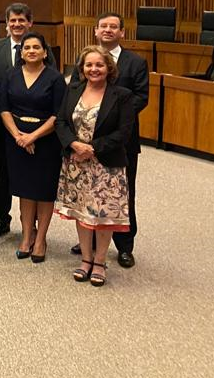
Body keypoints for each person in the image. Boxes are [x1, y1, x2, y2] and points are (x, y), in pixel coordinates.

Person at [68, 12, 148, 268]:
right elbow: (73, 95)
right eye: (103, 26)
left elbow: (141, 97)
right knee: (87, 194)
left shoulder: (136, 62)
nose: (108, 30)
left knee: (121, 196)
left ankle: (125, 246)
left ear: (122, 32)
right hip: (82, 144)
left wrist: (111, 114)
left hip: (119, 141)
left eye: (114, 26)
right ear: (95, 30)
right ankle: (89, 243)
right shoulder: (84, 59)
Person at [56, 45, 135, 287]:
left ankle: (99, 262)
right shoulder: (73, 89)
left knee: (102, 216)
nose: (94, 69)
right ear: (82, 68)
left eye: (99, 65)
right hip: (76, 164)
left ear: (108, 68)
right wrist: (74, 145)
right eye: (89, 65)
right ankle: (86, 259)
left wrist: (91, 148)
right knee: (81, 211)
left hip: (105, 166)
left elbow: (124, 133)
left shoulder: (122, 95)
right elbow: (61, 121)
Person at [0, 3, 58, 239]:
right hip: (4, 123)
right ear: (6, 24)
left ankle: (32, 225)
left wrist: (30, 133)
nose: (17, 24)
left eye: (21, 20)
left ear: (30, 23)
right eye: (12, 20)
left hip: (39, 128)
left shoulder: (42, 47)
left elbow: (50, 82)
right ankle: (1, 218)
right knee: (3, 172)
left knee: (35, 176)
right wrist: (14, 126)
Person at [0, 33, 65, 263]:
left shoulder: (55, 78)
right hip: (16, 139)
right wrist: (18, 136)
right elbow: (3, 107)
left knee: (44, 191)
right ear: (21, 52)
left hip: (46, 141)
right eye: (27, 47)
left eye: (37, 47)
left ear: (45, 52)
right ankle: (27, 236)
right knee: (25, 190)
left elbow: (59, 115)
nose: (31, 51)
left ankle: (41, 239)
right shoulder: (11, 75)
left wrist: (32, 137)